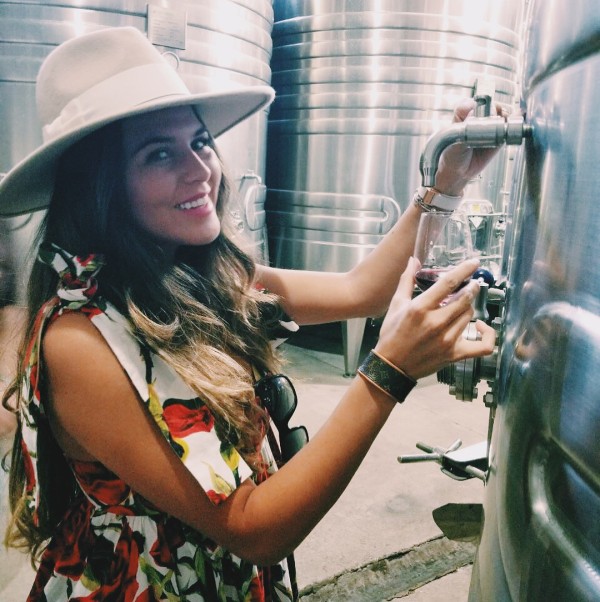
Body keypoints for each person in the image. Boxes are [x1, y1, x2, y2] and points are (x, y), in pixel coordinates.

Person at [0, 27, 496, 601]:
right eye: (159, 153)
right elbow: (252, 529)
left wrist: (447, 183)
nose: (200, 169)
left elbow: (362, 290)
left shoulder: (200, 277)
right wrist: (389, 372)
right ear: (99, 186)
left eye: (200, 142)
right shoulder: (78, 339)